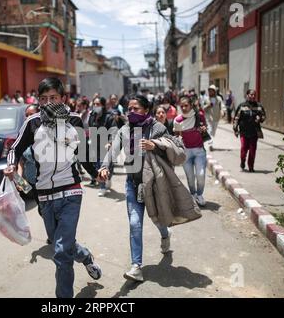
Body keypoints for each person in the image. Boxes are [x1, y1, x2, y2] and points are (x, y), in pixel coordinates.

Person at [3, 77, 102, 298]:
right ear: (38, 100)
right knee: (62, 243)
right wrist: (11, 165)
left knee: (60, 252)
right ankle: (85, 257)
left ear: (63, 98)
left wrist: (97, 173)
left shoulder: (74, 120)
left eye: (53, 98)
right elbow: (14, 148)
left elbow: (84, 154)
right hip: (45, 197)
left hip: (71, 192)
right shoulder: (33, 123)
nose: (48, 103)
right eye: (44, 99)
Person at [97, 95, 171, 282]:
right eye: (129, 109)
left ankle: (165, 235)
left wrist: (155, 145)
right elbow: (113, 150)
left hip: (152, 184)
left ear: (146, 110)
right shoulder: (125, 130)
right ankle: (136, 266)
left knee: (157, 219)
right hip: (132, 184)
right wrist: (105, 166)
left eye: (136, 108)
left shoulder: (158, 128)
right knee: (134, 224)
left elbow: (172, 151)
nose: (131, 112)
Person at [174, 97, 208, 206]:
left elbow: (204, 127)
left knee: (201, 175)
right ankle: (193, 194)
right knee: (190, 177)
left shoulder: (199, 116)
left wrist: (203, 129)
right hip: (186, 152)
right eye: (181, 106)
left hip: (199, 151)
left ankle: (199, 195)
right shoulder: (177, 120)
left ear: (191, 105)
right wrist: (179, 140)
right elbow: (177, 135)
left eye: (186, 105)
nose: (183, 108)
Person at [88, 96, 118, 196]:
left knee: (109, 165)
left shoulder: (109, 117)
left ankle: (108, 178)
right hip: (95, 145)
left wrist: (110, 142)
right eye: (94, 104)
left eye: (98, 104)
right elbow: (90, 128)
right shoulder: (92, 115)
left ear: (103, 105)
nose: (96, 106)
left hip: (106, 146)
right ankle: (102, 186)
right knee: (98, 165)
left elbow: (114, 130)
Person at [233, 89, 266, 172]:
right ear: (247, 95)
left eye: (254, 95)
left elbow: (264, 116)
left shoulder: (259, 106)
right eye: (251, 95)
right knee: (244, 148)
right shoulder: (242, 106)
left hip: (254, 131)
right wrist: (235, 129)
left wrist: (260, 118)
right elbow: (236, 118)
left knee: (252, 150)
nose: (253, 96)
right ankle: (242, 161)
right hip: (243, 131)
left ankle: (251, 166)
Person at [202, 85, 223, 150]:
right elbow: (202, 108)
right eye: (209, 90)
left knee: (213, 132)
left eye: (212, 90)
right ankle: (210, 145)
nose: (210, 92)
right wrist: (208, 105)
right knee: (209, 130)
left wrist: (223, 111)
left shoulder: (219, 98)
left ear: (214, 91)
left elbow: (222, 106)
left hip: (216, 117)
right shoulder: (206, 99)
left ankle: (210, 141)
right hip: (208, 118)